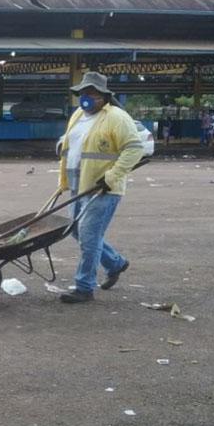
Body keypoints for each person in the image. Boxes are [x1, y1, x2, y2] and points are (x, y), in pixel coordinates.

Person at [56, 71, 144, 303]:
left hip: (104, 188)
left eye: (92, 93)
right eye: (84, 93)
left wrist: (113, 176)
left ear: (103, 96)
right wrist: (60, 147)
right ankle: (115, 263)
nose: (87, 97)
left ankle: (84, 287)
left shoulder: (117, 117)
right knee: (74, 229)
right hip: (78, 183)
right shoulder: (78, 114)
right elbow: (71, 140)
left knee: (89, 236)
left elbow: (135, 149)